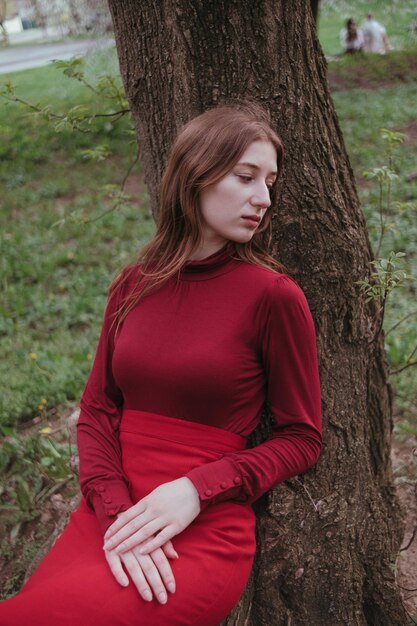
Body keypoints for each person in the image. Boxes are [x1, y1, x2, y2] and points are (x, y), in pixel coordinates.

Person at [0, 102, 322, 626]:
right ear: (195, 175)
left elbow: (302, 438)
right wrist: (116, 514)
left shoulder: (273, 296)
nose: (263, 198)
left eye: (269, 182)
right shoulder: (134, 284)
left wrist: (195, 490)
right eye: (246, 177)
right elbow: (99, 408)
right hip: (111, 519)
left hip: (199, 533)